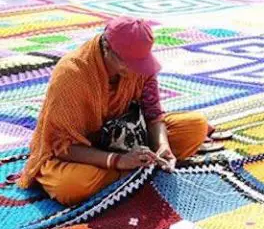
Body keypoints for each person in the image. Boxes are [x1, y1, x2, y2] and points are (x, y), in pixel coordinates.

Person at [16, 17, 212, 206]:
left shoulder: (140, 67)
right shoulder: (72, 74)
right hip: (82, 151)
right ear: (107, 49)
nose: (136, 70)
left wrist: (163, 146)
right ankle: (137, 170)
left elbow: (153, 114)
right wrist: (117, 160)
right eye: (130, 64)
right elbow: (62, 146)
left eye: (140, 64)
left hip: (126, 140)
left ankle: (136, 167)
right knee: (71, 186)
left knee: (196, 126)